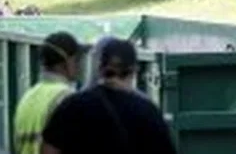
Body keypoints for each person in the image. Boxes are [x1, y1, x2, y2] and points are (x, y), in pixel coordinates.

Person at [40, 37, 176, 154]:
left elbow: (48, 150)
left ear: (100, 67)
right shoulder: (149, 112)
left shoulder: (72, 106)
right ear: (134, 70)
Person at [13, 32, 82, 154]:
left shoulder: (27, 97)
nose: (79, 65)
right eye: (77, 59)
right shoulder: (67, 98)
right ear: (68, 61)